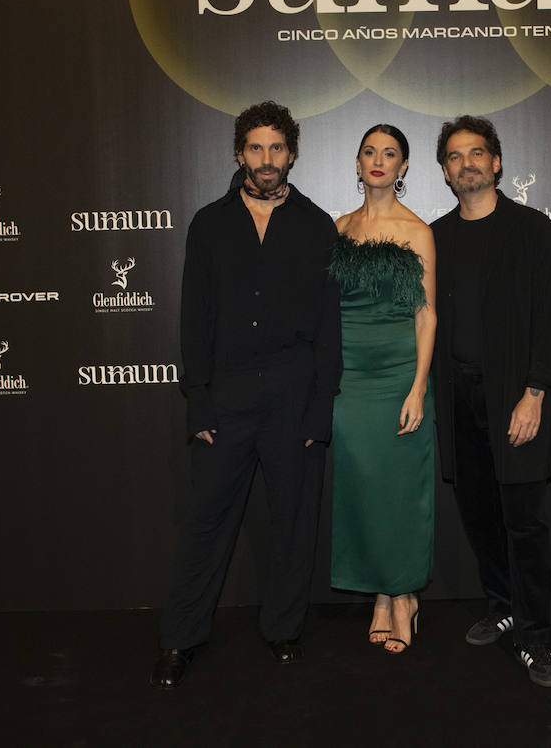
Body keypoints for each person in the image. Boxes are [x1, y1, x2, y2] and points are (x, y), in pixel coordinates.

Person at [151, 100, 341, 688]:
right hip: (227, 400)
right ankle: (180, 638)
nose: (266, 159)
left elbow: (329, 325)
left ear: (292, 155)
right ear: (239, 154)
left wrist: (318, 409)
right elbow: (195, 319)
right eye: (255, 148)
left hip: (293, 395)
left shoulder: (315, 225)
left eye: (276, 148)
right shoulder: (209, 224)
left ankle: (283, 630)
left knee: (293, 523)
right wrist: (200, 402)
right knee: (207, 524)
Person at [429, 115, 551, 687]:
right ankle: (502, 605)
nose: (468, 163)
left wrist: (534, 394)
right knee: (480, 515)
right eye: (456, 157)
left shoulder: (532, 229)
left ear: (498, 163)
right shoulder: (434, 236)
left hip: (516, 396)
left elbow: (547, 323)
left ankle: (536, 638)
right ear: (445, 171)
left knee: (525, 523)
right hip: (457, 396)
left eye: (478, 153)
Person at [328, 124, 436, 655]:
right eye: (369, 150)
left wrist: (417, 387)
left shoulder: (417, 231)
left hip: (398, 374)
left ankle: (402, 594)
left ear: (404, 168)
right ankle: (378, 590)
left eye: (390, 154)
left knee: (399, 490)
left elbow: (426, 314)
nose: (378, 160)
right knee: (362, 489)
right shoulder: (338, 228)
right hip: (348, 378)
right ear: (356, 161)